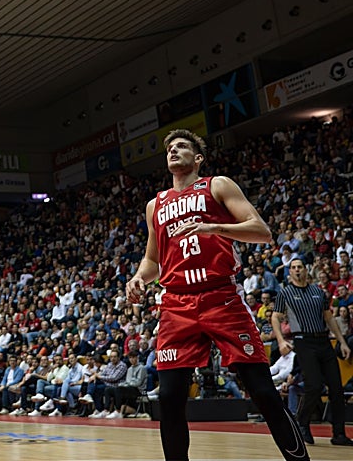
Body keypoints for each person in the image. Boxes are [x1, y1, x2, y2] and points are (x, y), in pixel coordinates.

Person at [126, 130, 310, 461]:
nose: (173, 151)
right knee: (169, 398)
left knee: (263, 391)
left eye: (182, 146)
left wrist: (212, 227)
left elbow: (262, 232)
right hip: (176, 304)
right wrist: (139, 277)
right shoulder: (155, 205)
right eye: (169, 148)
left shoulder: (217, 185)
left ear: (198, 158)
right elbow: (153, 260)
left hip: (221, 296)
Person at [273, 258, 353, 445]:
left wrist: (342, 342)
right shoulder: (285, 293)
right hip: (303, 341)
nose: (297, 270)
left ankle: (339, 434)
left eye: (300, 267)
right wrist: (281, 340)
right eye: (293, 268)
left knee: (337, 388)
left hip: (324, 341)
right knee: (314, 385)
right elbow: (275, 317)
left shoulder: (318, 292)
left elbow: (329, 318)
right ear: (290, 272)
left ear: (305, 270)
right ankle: (302, 423)